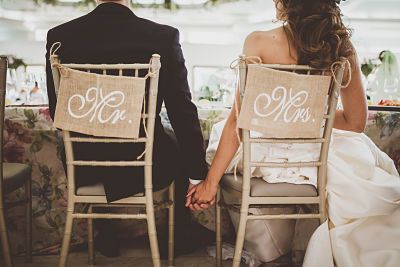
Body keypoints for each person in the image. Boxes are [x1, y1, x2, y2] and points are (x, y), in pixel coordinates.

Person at [186, 0, 400, 266]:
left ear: (285, 4)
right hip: (317, 155)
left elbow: (237, 123)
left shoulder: (258, 42)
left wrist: (210, 184)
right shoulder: (342, 47)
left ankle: (268, 248)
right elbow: (356, 122)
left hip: (264, 153)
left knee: (224, 146)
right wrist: (311, 112)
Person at [45, 0, 212, 258]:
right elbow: (181, 110)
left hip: (83, 165)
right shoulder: (162, 37)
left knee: (90, 143)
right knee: (178, 149)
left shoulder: (60, 37)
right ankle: (179, 235)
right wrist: (198, 174)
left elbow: (58, 110)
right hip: (145, 163)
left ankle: (105, 231)